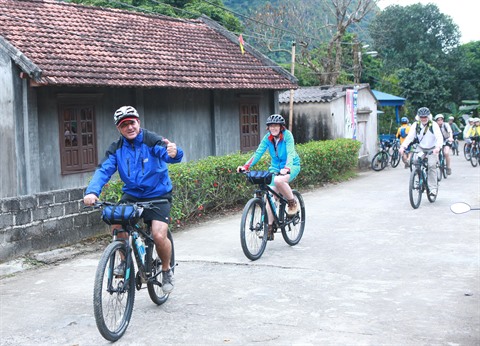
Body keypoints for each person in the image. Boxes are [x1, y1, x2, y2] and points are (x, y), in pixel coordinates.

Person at [83, 106, 184, 294]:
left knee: (158, 235)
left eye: (132, 123)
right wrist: (92, 192)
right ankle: (122, 258)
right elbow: (103, 171)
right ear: (118, 129)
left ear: (138, 122)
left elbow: (169, 154)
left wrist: (174, 153)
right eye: (124, 125)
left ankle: (166, 269)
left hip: (158, 194)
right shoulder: (116, 149)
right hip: (133, 194)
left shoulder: (151, 140)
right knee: (116, 222)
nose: (129, 127)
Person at [236, 114, 301, 240]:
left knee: (278, 180)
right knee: (270, 196)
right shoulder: (268, 138)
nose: (273, 128)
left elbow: (291, 152)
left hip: (292, 166)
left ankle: (292, 203)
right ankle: (270, 228)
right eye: (271, 126)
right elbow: (258, 153)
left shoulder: (287, 135)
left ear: (281, 127)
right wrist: (246, 166)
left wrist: (287, 168)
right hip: (275, 168)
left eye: (276, 126)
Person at [399, 107, 443, 197]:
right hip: (421, 148)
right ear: (418, 117)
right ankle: (420, 179)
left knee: (431, 165)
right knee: (415, 161)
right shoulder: (416, 125)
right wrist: (403, 146)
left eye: (425, 117)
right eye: (421, 117)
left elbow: (439, 137)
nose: (423, 119)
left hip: (432, 148)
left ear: (428, 117)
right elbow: (410, 137)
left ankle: (433, 188)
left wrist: (438, 147)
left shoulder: (433, 125)